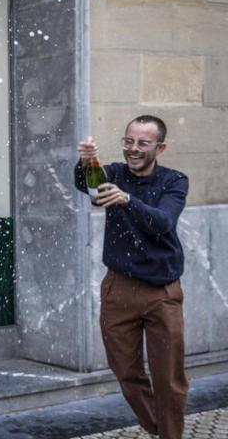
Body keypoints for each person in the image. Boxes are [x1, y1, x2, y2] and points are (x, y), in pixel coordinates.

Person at [75, 115, 189, 439]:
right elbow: (87, 185)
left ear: (160, 147)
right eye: (129, 141)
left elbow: (163, 222)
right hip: (119, 289)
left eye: (142, 143)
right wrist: (85, 163)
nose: (133, 149)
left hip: (162, 292)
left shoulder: (174, 181)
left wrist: (127, 199)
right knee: (126, 371)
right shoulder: (113, 172)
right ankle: (161, 427)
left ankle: (170, 435)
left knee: (169, 378)